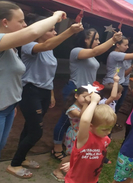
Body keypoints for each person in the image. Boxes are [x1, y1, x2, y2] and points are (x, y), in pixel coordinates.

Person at [0, 1, 66, 183]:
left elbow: (9, 76)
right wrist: (55, 17)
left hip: (5, 108)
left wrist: (12, 101)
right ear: (5, 22)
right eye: (21, 21)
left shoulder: (8, 45)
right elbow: (31, 33)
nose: (25, 25)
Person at [7, 16, 84, 178]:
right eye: (51, 30)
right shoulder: (30, 45)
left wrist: (50, 94)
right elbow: (47, 44)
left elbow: (48, 73)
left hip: (43, 92)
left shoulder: (50, 49)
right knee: (36, 131)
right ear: (40, 32)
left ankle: (22, 158)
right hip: (30, 91)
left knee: (30, 127)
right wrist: (69, 31)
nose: (55, 32)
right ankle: (14, 164)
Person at [52, 28, 122, 161]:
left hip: (87, 93)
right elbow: (96, 51)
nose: (98, 41)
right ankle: (56, 148)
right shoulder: (76, 51)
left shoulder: (91, 55)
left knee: (83, 120)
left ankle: (77, 146)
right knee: (66, 120)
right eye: (95, 38)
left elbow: (96, 52)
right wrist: (113, 40)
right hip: (75, 91)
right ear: (85, 39)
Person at [58, 93, 117, 183]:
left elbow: (91, 155)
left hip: (92, 181)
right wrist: (94, 101)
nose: (108, 132)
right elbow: (84, 120)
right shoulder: (84, 138)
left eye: (111, 128)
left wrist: (74, 163)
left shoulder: (105, 139)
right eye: (105, 129)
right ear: (90, 126)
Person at [51, 87, 90, 181]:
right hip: (74, 135)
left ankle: (74, 170)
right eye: (84, 96)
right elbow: (83, 116)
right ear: (76, 96)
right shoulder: (72, 109)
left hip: (83, 133)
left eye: (88, 97)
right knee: (72, 155)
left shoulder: (83, 106)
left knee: (80, 154)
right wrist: (87, 104)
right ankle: (57, 170)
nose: (86, 99)